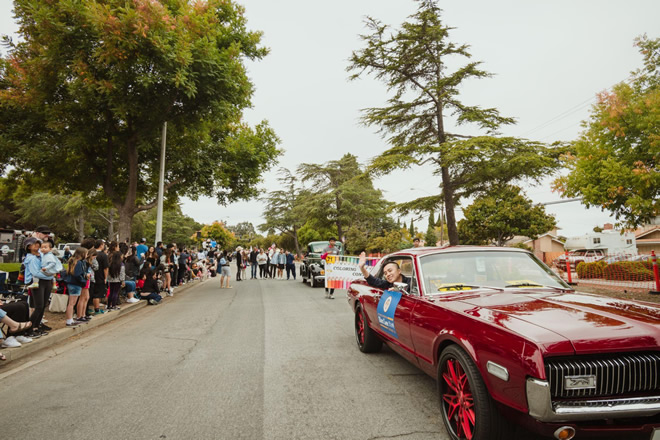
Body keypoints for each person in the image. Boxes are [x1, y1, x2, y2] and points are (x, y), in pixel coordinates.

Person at [23, 237, 50, 336]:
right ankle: (28, 328)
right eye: (34, 244)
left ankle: (36, 327)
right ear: (29, 247)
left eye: (38, 244)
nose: (37, 246)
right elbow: (36, 271)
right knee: (38, 306)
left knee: (43, 306)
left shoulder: (41, 255)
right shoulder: (31, 258)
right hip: (37, 282)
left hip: (46, 280)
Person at [65, 247, 88, 326]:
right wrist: (83, 281)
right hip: (76, 284)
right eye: (86, 254)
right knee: (72, 303)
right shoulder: (79, 263)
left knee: (71, 303)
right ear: (82, 254)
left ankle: (70, 319)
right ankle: (69, 320)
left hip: (71, 283)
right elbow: (77, 274)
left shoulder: (73, 262)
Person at [91, 240, 109, 315]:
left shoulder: (91, 253)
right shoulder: (103, 255)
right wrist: (105, 277)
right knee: (97, 294)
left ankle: (91, 308)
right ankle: (97, 309)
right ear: (101, 245)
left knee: (92, 292)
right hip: (100, 275)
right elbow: (105, 268)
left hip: (91, 275)